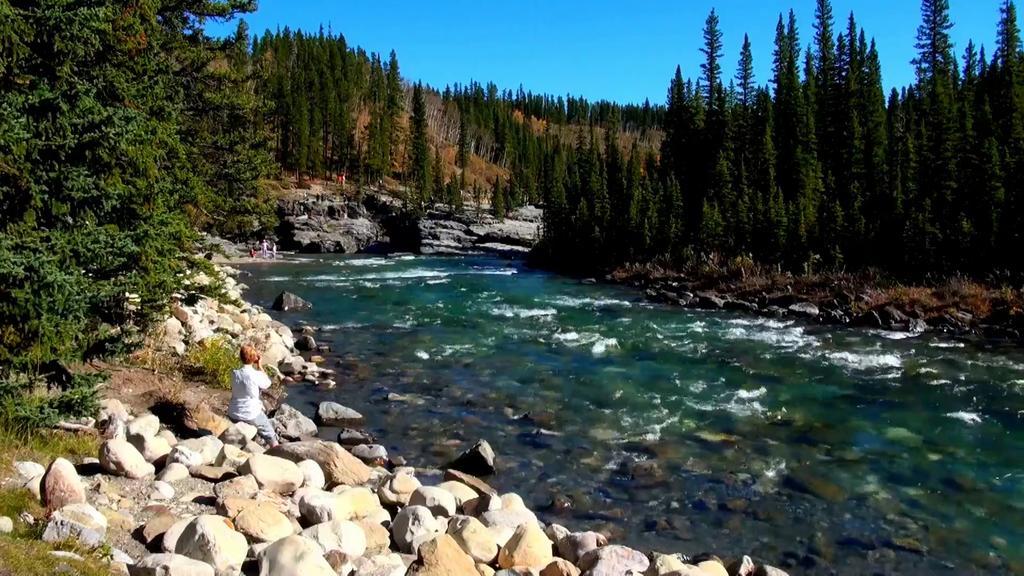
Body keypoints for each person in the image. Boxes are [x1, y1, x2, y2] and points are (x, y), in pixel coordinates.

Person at [227, 344, 279, 447]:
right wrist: (259, 365)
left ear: (241, 357)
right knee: (270, 434)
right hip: (250, 413)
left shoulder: (234, 374)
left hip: (233, 413)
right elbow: (267, 383)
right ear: (254, 358)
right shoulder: (255, 374)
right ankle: (276, 450)